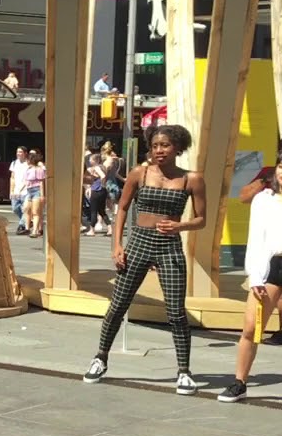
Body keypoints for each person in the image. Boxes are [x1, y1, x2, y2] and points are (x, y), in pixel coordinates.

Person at [83, 125, 207, 394]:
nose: (159, 151)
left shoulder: (191, 179)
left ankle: (184, 371)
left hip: (169, 247)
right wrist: (117, 245)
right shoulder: (140, 173)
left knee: (176, 312)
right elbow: (123, 208)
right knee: (118, 305)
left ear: (178, 148)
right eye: (155, 146)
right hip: (138, 243)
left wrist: (179, 227)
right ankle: (100, 357)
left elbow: (201, 220)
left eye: (165, 145)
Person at [222, 164, 282, 403]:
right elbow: (256, 239)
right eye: (281, 166)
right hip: (273, 266)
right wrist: (255, 276)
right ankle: (240, 382)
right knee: (251, 327)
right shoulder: (264, 200)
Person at [22, 149, 47, 238]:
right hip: (29, 190)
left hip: (36, 190)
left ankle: (35, 230)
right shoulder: (27, 169)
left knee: (35, 211)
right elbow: (26, 182)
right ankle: (28, 227)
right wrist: (20, 190)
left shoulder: (39, 169)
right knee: (26, 209)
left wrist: (42, 195)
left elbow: (41, 183)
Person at [9, 146, 29, 234]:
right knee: (15, 208)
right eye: (17, 152)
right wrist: (11, 191)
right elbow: (12, 178)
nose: (18, 154)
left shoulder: (28, 163)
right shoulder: (14, 163)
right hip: (16, 190)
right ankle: (25, 220)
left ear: (25, 153)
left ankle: (22, 224)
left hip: (26, 190)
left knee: (25, 209)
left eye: (20, 152)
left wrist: (22, 189)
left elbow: (29, 178)